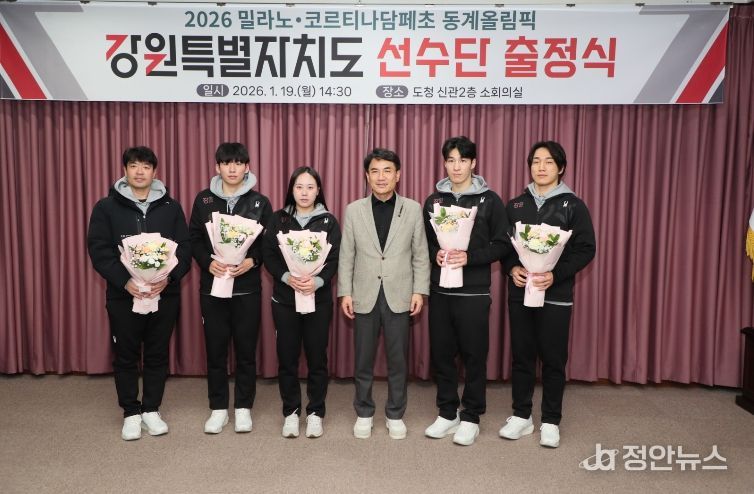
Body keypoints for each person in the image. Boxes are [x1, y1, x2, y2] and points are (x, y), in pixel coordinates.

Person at [87, 146, 191, 441]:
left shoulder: (171, 207)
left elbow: (185, 248)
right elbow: (99, 250)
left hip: (164, 295)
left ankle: (151, 409)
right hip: (124, 296)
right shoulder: (106, 207)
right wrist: (125, 281)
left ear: (155, 172)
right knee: (126, 354)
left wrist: (168, 278)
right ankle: (131, 412)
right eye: (134, 165)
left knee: (158, 353)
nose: (140, 171)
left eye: (146, 166)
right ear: (125, 170)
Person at [500, 141, 596, 448]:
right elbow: (504, 245)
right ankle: (521, 416)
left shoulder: (573, 205)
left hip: (555, 294)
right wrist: (511, 268)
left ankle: (551, 420)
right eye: (536, 161)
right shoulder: (515, 205)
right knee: (522, 356)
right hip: (521, 293)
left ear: (561, 168)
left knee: (553, 359)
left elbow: (586, 249)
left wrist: (556, 274)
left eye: (549, 162)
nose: (541, 167)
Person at [422, 136, 510, 446]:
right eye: (451, 160)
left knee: (474, 356)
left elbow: (502, 244)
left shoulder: (490, 201)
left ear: (473, 163)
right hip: (440, 291)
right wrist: (435, 253)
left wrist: (469, 258)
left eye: (462, 160)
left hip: (473, 292)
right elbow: (425, 242)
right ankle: (448, 412)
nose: (456, 166)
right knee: (442, 354)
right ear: (444, 163)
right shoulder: (434, 201)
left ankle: (471, 416)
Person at [338, 148, 430, 440]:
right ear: (367, 176)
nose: (381, 177)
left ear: (397, 175)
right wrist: (345, 292)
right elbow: (346, 255)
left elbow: (420, 254)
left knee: (398, 360)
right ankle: (364, 412)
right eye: (375, 171)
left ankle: (395, 414)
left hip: (399, 293)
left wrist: (419, 291)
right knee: (363, 359)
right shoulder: (354, 210)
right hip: (363, 293)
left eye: (387, 171)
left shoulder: (412, 209)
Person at [189, 142, 272, 434]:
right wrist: (206, 262)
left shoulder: (260, 202)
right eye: (227, 163)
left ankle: (243, 407)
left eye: (238, 163)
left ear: (247, 167)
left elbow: (268, 244)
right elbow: (193, 238)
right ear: (217, 167)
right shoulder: (204, 200)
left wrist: (252, 261)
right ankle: (218, 408)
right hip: (213, 288)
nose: (232, 169)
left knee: (246, 351)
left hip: (247, 289)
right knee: (216, 351)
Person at [262, 166, 340, 438]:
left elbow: (334, 259)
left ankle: (316, 412)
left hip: (318, 301)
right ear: (291, 190)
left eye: (310, 187)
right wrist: (286, 277)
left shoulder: (328, 221)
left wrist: (317, 281)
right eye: (299, 187)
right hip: (285, 300)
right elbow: (269, 255)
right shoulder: (278, 219)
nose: (304, 192)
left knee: (317, 358)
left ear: (318, 190)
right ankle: (291, 412)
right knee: (287, 358)